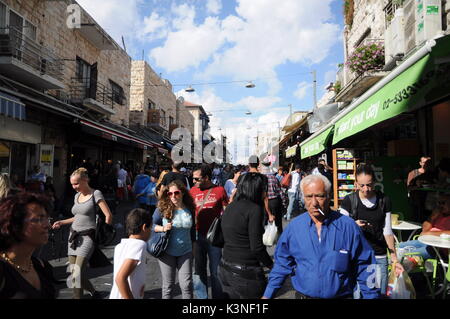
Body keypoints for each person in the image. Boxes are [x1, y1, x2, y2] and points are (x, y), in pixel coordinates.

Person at [262, 174, 381, 299]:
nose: (314, 203)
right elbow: (282, 264)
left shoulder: (348, 227)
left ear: (329, 196)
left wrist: (372, 296)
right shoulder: (294, 228)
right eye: (308, 197)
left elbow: (366, 265)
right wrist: (267, 295)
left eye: (319, 196)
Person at [339, 163, 402, 297]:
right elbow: (341, 230)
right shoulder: (349, 201)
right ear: (356, 183)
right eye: (362, 185)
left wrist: (394, 257)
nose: (366, 189)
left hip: (378, 255)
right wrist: (353, 224)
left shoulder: (384, 200)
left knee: (378, 294)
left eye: (369, 184)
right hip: (356, 256)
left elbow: (387, 230)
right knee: (357, 295)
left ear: (374, 182)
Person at [52, 168, 113, 299]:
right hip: (73, 236)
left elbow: (108, 215)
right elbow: (78, 216)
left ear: (85, 180)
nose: (74, 187)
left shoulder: (96, 194)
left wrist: (103, 233)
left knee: (76, 274)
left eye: (76, 183)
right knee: (74, 273)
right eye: (72, 184)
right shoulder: (76, 196)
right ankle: (94, 293)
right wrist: (62, 222)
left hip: (87, 237)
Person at [219, 173, 273, 299]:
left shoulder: (231, 206)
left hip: (225, 267)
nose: (266, 192)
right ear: (256, 189)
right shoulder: (254, 209)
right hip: (245, 273)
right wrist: (272, 265)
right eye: (264, 188)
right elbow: (257, 247)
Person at [0, 193, 58, 299]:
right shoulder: (3, 271)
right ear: (14, 225)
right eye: (38, 219)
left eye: (46, 219)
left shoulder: (41, 266)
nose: (47, 225)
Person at [153, 180, 196, 299]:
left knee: (186, 285)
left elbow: (193, 231)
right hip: (167, 252)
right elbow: (150, 225)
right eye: (170, 194)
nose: (173, 196)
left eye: (176, 193)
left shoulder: (190, 208)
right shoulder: (162, 208)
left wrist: (194, 248)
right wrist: (162, 228)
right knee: (168, 286)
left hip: (186, 251)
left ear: (182, 193)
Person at [190, 164, 228, 299]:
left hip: (215, 237)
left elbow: (227, 211)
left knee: (215, 271)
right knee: (199, 271)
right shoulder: (192, 191)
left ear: (206, 178)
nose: (193, 182)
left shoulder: (220, 190)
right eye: (193, 179)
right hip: (197, 236)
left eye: (196, 179)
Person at [109, 208, 151, 299]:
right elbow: (120, 278)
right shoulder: (139, 245)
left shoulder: (120, 246)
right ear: (144, 227)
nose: (150, 232)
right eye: (150, 228)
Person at [398, 192, 450, 261]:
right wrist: (432, 217)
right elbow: (424, 230)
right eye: (439, 203)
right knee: (399, 246)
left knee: (405, 254)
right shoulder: (438, 214)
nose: (440, 206)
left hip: (439, 249)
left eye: (443, 203)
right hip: (426, 242)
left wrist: (429, 234)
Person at [260, 160, 287, 234]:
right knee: (278, 221)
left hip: (264, 202)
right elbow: (280, 191)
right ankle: (279, 237)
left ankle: (265, 237)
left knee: (264, 220)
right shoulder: (274, 178)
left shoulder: (261, 178)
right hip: (275, 201)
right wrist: (284, 203)